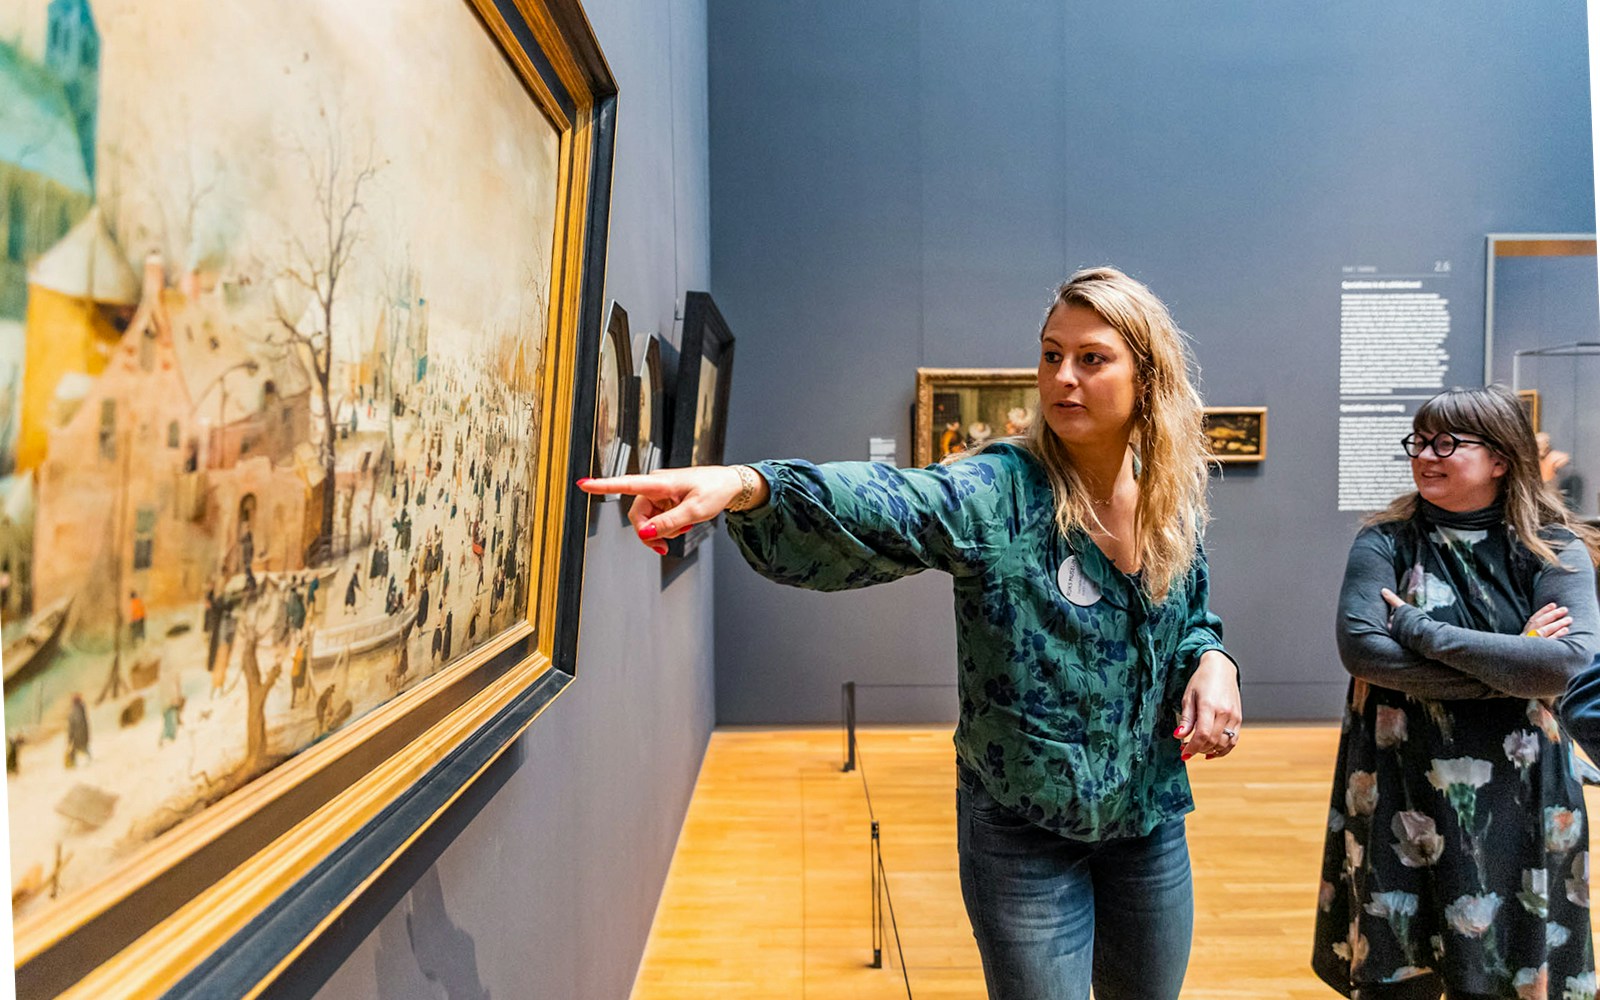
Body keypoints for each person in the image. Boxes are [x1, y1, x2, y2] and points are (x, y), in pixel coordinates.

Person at [580, 266, 1241, 1000]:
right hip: (1026, 833)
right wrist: (753, 485)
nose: (1063, 377)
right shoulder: (1003, 491)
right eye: (1052, 354)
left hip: (1145, 822)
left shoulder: (1167, 495)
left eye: (1092, 358)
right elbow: (898, 501)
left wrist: (1215, 659)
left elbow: (1192, 620)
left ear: (1146, 377)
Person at [1313, 385, 1600, 1000]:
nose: (1426, 455)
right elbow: (1363, 650)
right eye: (1419, 441)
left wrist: (1421, 630)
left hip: (1517, 792)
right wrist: (1509, 660)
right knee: (1401, 969)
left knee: (1505, 969)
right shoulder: (1384, 539)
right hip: (1400, 780)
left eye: (1447, 443)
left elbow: (1561, 665)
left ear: (1500, 458)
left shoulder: (1552, 545)